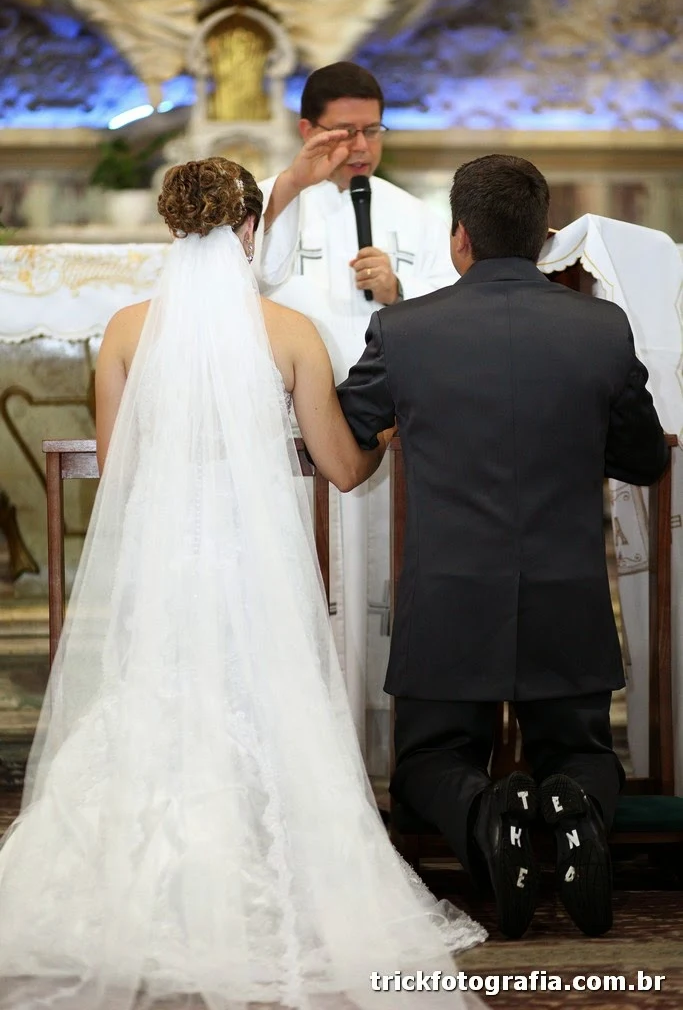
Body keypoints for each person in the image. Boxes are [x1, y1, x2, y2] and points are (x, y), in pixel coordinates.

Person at [0, 158, 485, 1010]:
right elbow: (342, 469)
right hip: (254, 563)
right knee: (266, 708)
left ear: (172, 229)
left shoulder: (124, 332)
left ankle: (141, 887)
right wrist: (383, 432)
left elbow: (120, 475)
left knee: (154, 702)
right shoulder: (290, 332)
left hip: (164, 560)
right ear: (250, 230)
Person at [337, 153, 670, 942]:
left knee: (428, 764)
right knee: (582, 752)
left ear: (459, 236)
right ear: (542, 238)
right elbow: (643, 460)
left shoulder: (404, 330)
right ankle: (570, 806)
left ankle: (489, 812)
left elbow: (347, 429)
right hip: (565, 589)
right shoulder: (600, 327)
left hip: (449, 595)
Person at [257, 61, 456, 766]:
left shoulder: (415, 215)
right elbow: (241, 275)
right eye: (344, 131)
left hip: (386, 435)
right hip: (295, 438)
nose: (361, 146)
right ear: (307, 129)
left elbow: (453, 312)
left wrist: (399, 292)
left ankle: (376, 751)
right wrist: (290, 184)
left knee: (379, 590)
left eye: (373, 129)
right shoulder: (279, 200)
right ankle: (300, 748)